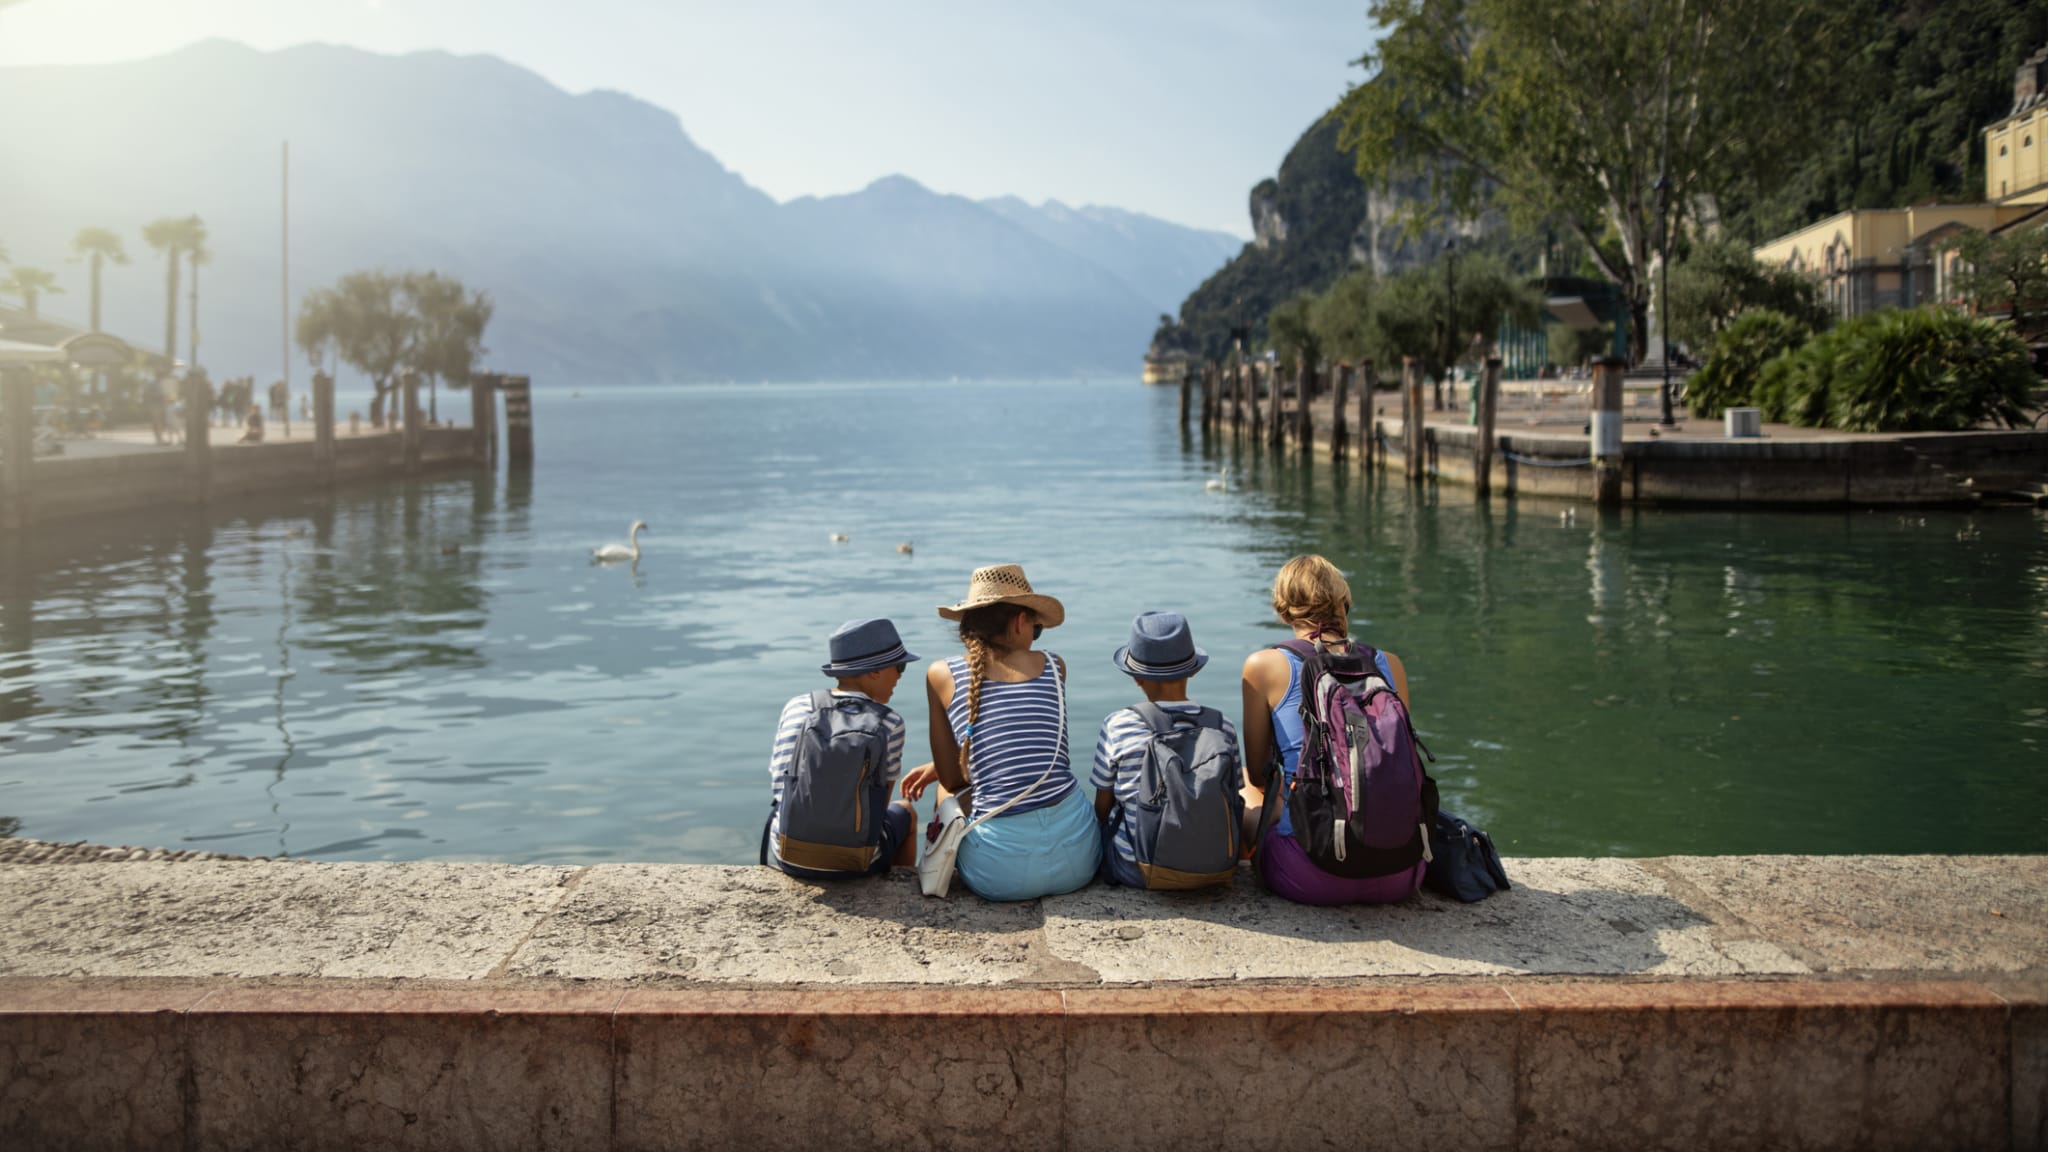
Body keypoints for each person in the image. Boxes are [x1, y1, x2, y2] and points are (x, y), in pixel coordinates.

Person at [901, 564, 1098, 901]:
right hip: (1079, 861)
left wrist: (940, 770)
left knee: (943, 795)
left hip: (999, 876)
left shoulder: (941, 674)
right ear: (1021, 621)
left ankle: (932, 871)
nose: (1036, 635)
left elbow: (952, 780)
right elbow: (1024, 741)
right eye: (1037, 628)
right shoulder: (1054, 666)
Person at [1239, 554, 1426, 905]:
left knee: (1248, 786)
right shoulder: (1389, 664)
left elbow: (1260, 774)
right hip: (1402, 872)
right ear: (1345, 605)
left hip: (1312, 875)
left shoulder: (1263, 666)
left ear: (1283, 612)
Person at [1091, 611, 1243, 889]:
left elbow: (1103, 805)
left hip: (1137, 868)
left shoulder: (1118, 724)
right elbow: (1234, 798)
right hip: (1217, 866)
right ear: (1194, 670)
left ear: (1136, 678)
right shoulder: (1224, 726)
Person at [761, 618, 922, 879]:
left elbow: (780, 785)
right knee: (906, 811)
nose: (900, 677)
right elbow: (879, 805)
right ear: (875, 671)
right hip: (857, 861)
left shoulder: (797, 707)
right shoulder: (889, 722)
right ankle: (897, 887)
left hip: (789, 853)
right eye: (900, 666)